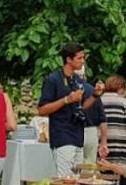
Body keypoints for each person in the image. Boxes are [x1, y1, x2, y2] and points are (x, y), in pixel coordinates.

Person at [37, 43, 99, 178]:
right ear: (68, 59)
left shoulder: (77, 80)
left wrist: (95, 95)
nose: (83, 61)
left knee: (76, 181)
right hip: (62, 136)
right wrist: (66, 100)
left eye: (83, 58)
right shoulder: (53, 80)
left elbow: (81, 107)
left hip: (78, 135)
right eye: (79, 58)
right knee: (65, 180)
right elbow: (41, 110)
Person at [97, 75, 126, 185]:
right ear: (120, 88)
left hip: (104, 144)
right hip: (122, 147)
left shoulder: (98, 101)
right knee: (124, 178)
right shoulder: (125, 102)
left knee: (106, 179)